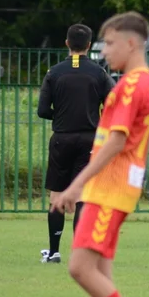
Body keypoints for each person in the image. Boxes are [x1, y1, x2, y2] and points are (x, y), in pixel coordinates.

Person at [50, 12, 149, 297]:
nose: (104, 51)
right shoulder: (141, 83)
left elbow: (115, 141)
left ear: (131, 43)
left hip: (108, 189)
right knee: (99, 278)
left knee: (80, 269)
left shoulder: (132, 86)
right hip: (114, 190)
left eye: (110, 43)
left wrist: (75, 185)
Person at [37, 23, 112, 263]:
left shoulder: (54, 72)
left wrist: (60, 116)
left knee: (57, 196)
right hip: (90, 139)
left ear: (67, 43)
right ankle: (78, 253)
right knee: (81, 196)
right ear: (89, 45)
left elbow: (42, 110)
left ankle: (53, 252)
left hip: (61, 139)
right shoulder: (99, 73)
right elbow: (114, 103)